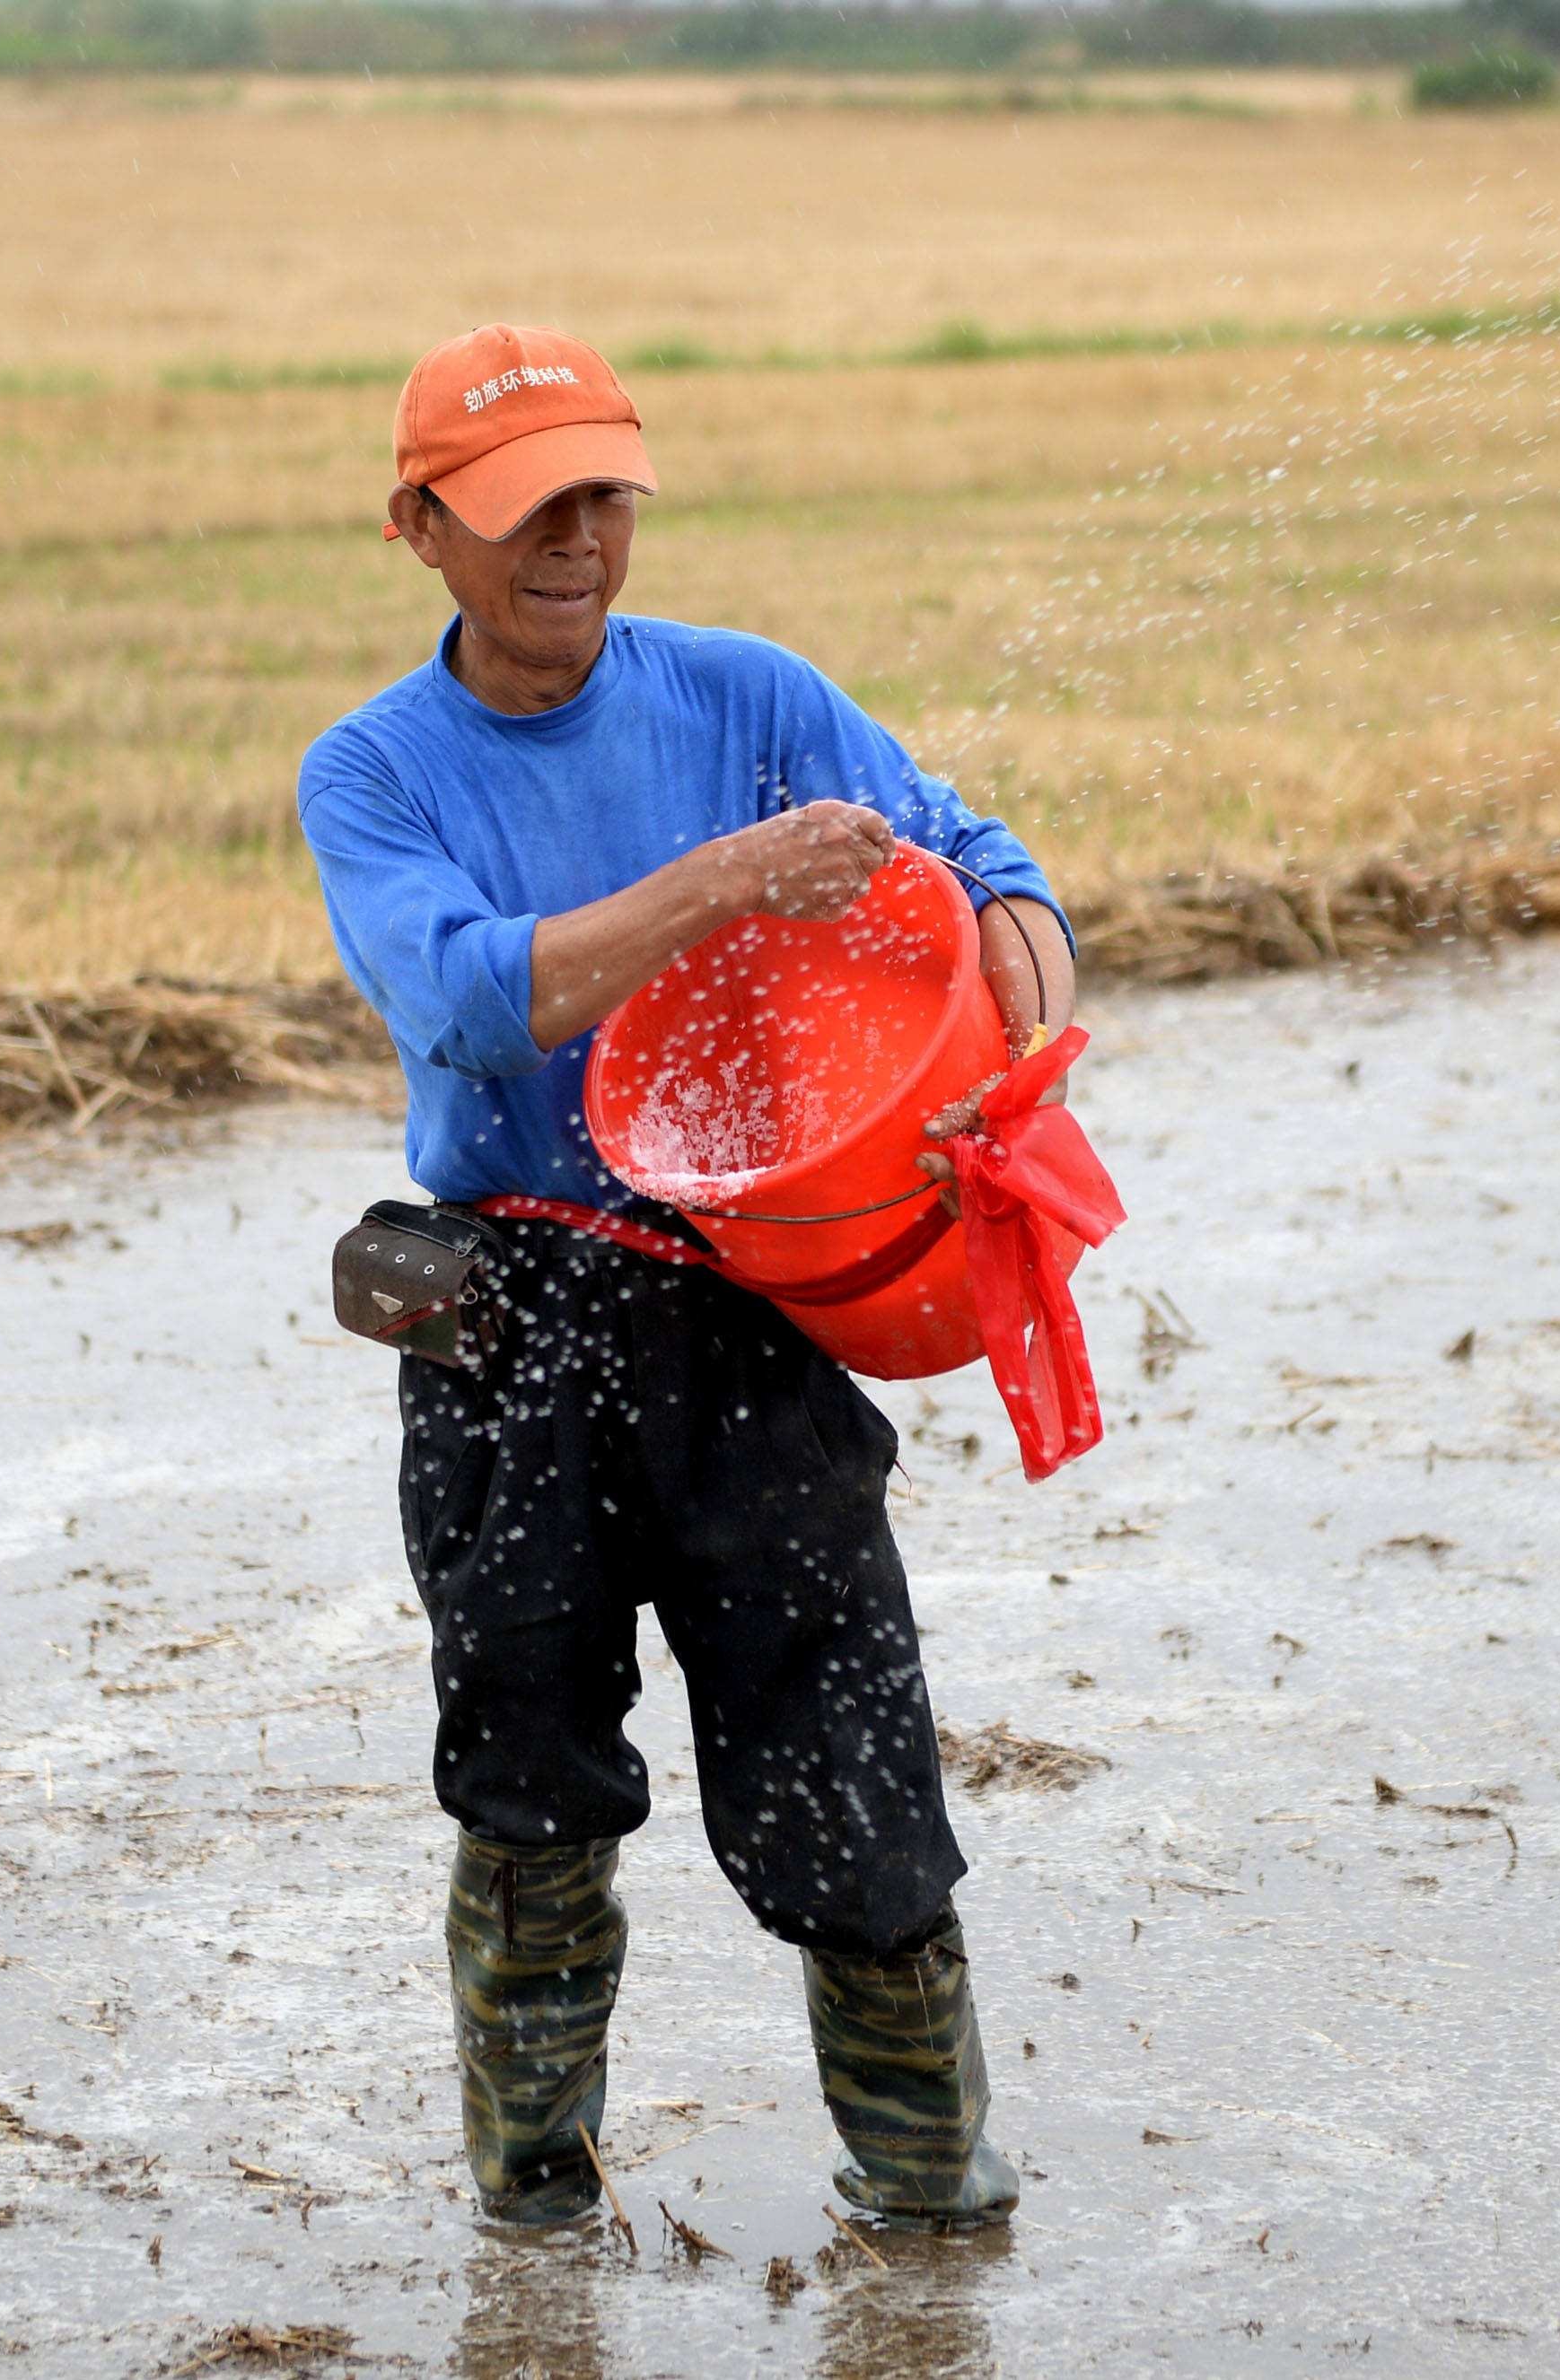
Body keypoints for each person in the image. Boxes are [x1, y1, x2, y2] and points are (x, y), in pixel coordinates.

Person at [296, 324, 1075, 2235]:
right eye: (522, 508)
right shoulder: (376, 773)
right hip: (513, 1324)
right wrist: (728, 884)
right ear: (418, 529)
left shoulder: (750, 695)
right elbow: (479, 1000)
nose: (573, 540)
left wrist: (1027, 982)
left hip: (752, 1304)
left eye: (601, 496)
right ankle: (535, 2219)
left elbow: (976, 858)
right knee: (531, 1777)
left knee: (850, 1771)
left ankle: (932, 2201)